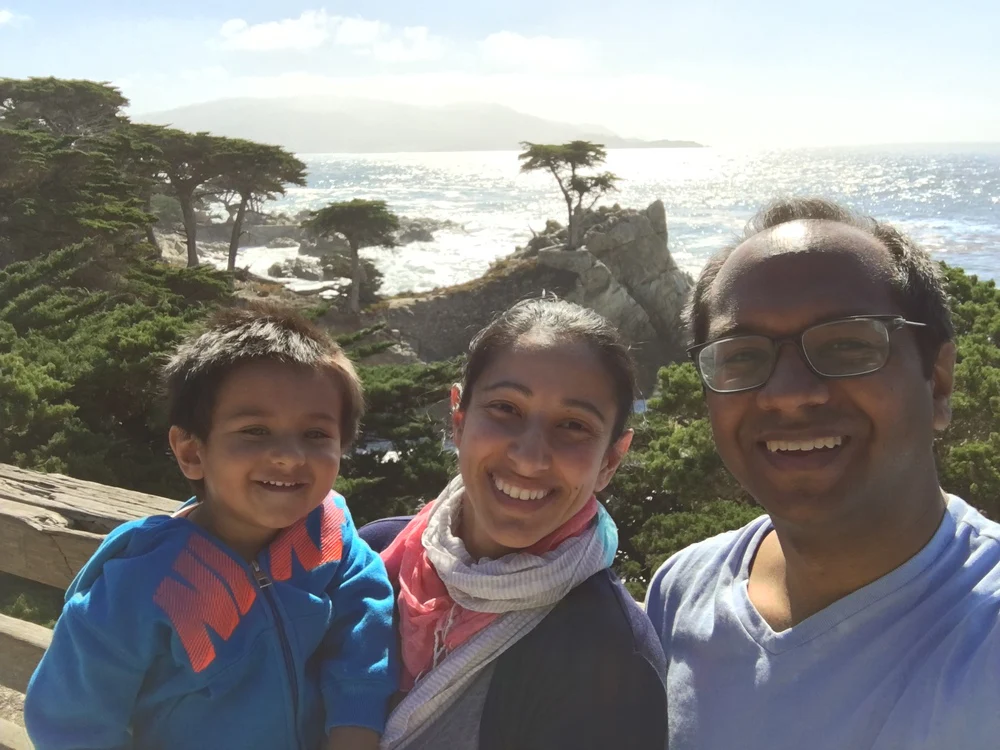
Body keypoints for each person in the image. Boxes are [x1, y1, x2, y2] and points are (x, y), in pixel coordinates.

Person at [646, 198, 1000, 749]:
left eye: (847, 344)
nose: (788, 394)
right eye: (741, 356)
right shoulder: (681, 590)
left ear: (939, 383)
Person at [25, 305, 397, 750]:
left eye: (316, 435)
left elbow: (364, 628)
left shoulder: (328, 531)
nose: (289, 456)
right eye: (255, 431)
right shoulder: (140, 581)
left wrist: (354, 731)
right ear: (191, 452)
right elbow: (71, 722)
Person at [360, 298, 668, 750]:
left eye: (573, 425)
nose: (529, 457)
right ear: (458, 419)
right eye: (506, 408)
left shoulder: (612, 657)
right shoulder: (372, 558)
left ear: (611, 460)